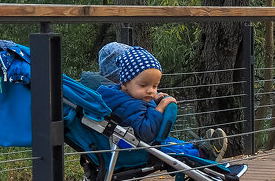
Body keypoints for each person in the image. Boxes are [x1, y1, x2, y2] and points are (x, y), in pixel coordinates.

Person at [97, 46, 226, 159]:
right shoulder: (129, 105)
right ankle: (202, 154)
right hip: (139, 148)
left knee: (172, 142)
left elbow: (139, 110)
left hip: (134, 142)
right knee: (169, 149)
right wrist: (160, 108)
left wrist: (153, 100)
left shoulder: (121, 95)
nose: (150, 91)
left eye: (155, 86)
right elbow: (145, 133)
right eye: (143, 85)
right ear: (124, 83)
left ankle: (197, 146)